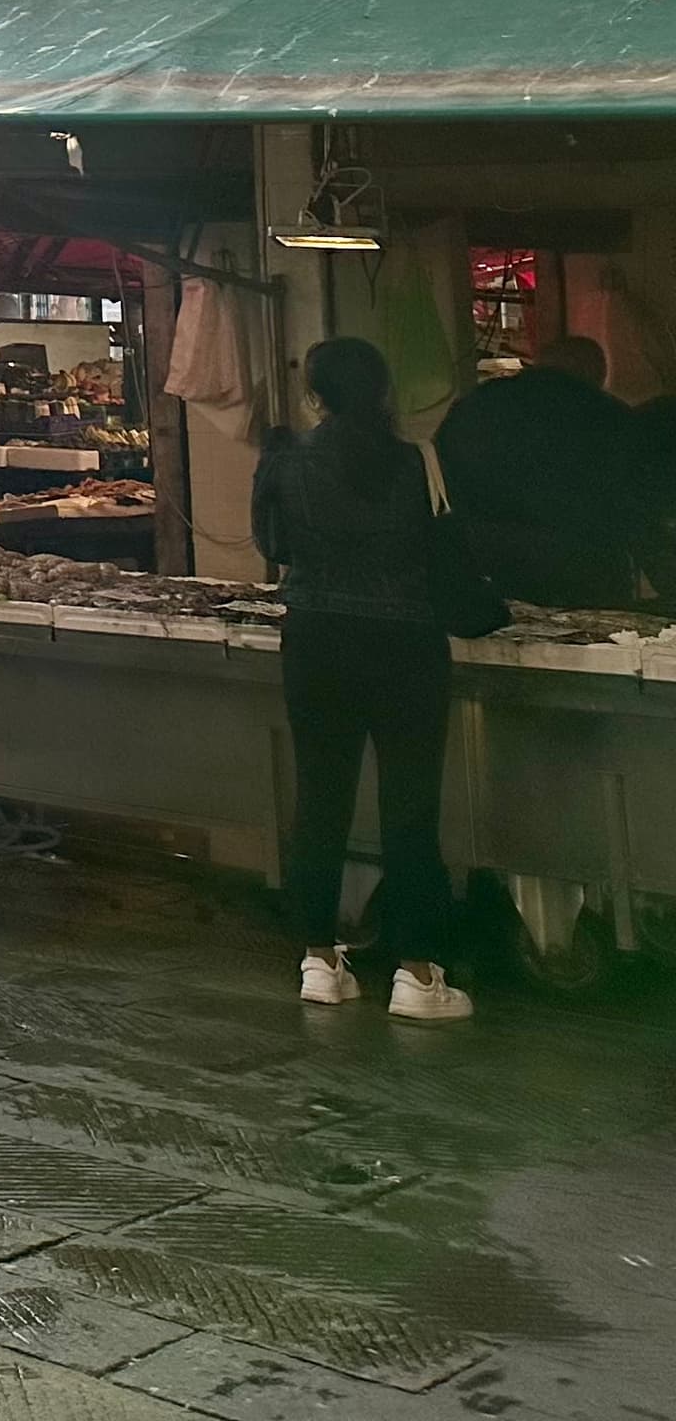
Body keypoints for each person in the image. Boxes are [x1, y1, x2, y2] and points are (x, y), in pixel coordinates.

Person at [252, 335, 471, 1022]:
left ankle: (319, 960)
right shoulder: (417, 461)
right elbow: (443, 547)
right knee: (411, 808)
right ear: (383, 394)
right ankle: (416, 974)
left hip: (317, 640)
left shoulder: (284, 463)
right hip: (407, 643)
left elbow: (276, 546)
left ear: (315, 396)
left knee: (320, 801)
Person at [436, 333, 646, 609]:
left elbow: (442, 471)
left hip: (484, 559)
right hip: (584, 565)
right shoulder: (610, 416)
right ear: (592, 371)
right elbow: (635, 497)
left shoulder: (479, 403)